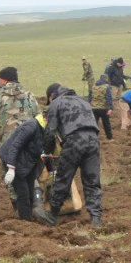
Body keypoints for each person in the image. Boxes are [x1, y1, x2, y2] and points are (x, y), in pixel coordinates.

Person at [35, 84, 103, 229]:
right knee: (92, 180)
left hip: (74, 141)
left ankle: (52, 215)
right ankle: (96, 219)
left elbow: (50, 131)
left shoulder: (56, 103)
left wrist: (47, 151)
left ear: (52, 96)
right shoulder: (84, 101)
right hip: (93, 141)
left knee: (63, 178)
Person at [0, 113, 48, 221]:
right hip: (13, 160)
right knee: (23, 193)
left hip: (27, 161)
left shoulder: (45, 129)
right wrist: (11, 169)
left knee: (31, 192)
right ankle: (25, 222)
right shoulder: (31, 126)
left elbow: (38, 145)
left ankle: (29, 217)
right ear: (45, 118)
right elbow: (15, 146)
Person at [0, 67, 40, 153]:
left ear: (4, 81)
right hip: (29, 142)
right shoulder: (30, 96)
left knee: (9, 165)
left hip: (7, 144)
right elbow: (39, 119)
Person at [88, 74, 114, 140]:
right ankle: (109, 138)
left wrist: (88, 106)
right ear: (106, 79)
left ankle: (93, 138)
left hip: (93, 108)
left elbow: (89, 98)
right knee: (106, 123)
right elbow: (109, 98)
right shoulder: (106, 87)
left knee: (94, 124)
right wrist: (110, 108)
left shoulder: (93, 87)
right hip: (103, 108)